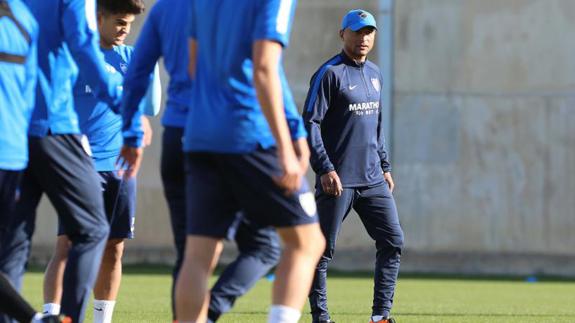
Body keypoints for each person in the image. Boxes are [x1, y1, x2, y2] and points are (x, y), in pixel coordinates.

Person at [120, 0, 327, 322]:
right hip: (248, 134)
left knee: (198, 254)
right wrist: (287, 145)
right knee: (306, 242)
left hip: (197, 135)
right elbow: (265, 68)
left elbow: (192, 64)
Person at [0, 0, 129, 321]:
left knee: (13, 243)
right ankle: (68, 317)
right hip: (52, 128)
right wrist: (123, 103)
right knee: (93, 227)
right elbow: (84, 47)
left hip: (16, 134)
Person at [40, 1, 161, 323]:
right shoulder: (76, 55)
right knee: (67, 244)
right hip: (79, 166)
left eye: (130, 24)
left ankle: (101, 319)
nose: (125, 29)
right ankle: (53, 315)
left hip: (121, 168)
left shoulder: (132, 58)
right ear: (99, 17)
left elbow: (150, 108)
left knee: (115, 247)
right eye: (119, 22)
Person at [302, 9, 404, 323]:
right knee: (320, 251)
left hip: (373, 178)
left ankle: (380, 317)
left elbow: (376, 125)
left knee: (393, 241)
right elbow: (310, 123)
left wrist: (385, 165)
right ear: (342, 34)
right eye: (357, 32)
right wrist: (325, 168)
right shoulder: (329, 74)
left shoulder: (375, 73)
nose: (364, 38)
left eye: (369, 32)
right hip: (338, 179)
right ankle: (321, 317)